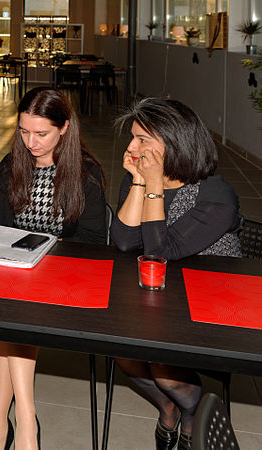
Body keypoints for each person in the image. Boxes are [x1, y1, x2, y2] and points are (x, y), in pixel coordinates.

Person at [0, 87, 106, 449]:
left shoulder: (86, 173)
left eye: (41, 133)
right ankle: (17, 418)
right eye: (23, 131)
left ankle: (7, 419)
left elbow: (95, 244)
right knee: (6, 306)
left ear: (64, 128)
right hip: (13, 272)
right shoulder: (11, 165)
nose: (30, 142)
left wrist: (44, 254)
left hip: (61, 278)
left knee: (11, 312)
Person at [110, 97, 242, 450]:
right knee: (123, 353)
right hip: (161, 297)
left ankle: (190, 413)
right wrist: (139, 180)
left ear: (174, 142)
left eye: (142, 140)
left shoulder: (216, 196)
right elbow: (123, 243)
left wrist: (152, 184)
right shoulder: (141, 177)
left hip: (212, 302)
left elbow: (158, 252)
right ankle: (171, 408)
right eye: (133, 138)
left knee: (163, 370)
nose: (131, 147)